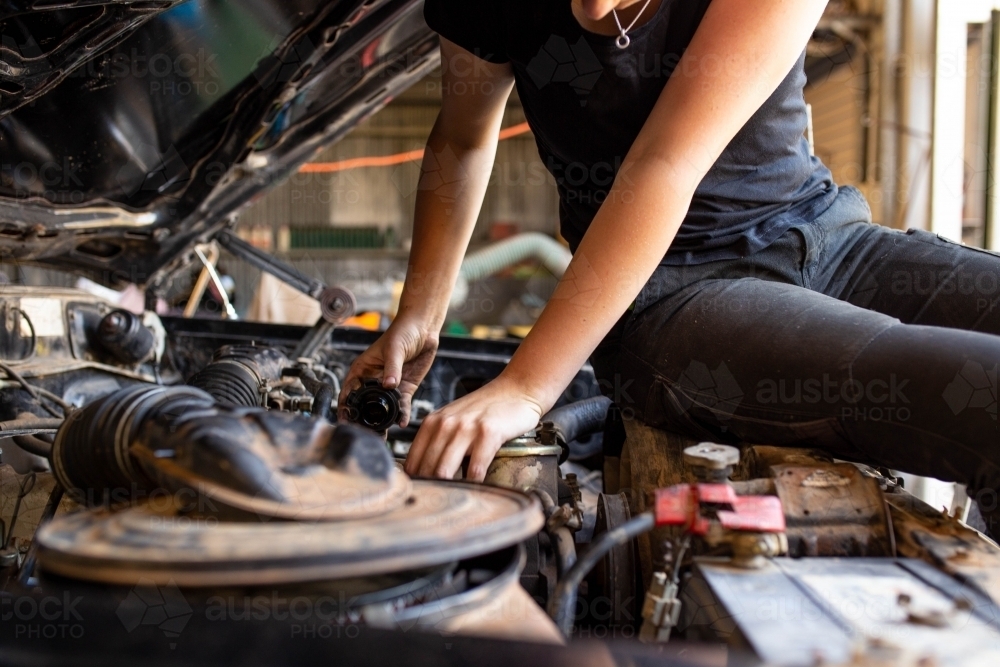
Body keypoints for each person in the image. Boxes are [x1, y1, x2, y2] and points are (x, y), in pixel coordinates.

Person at [338, 0, 1000, 537]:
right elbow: (461, 137)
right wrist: (424, 318)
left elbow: (666, 164)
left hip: (828, 240)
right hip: (679, 299)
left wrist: (526, 386)